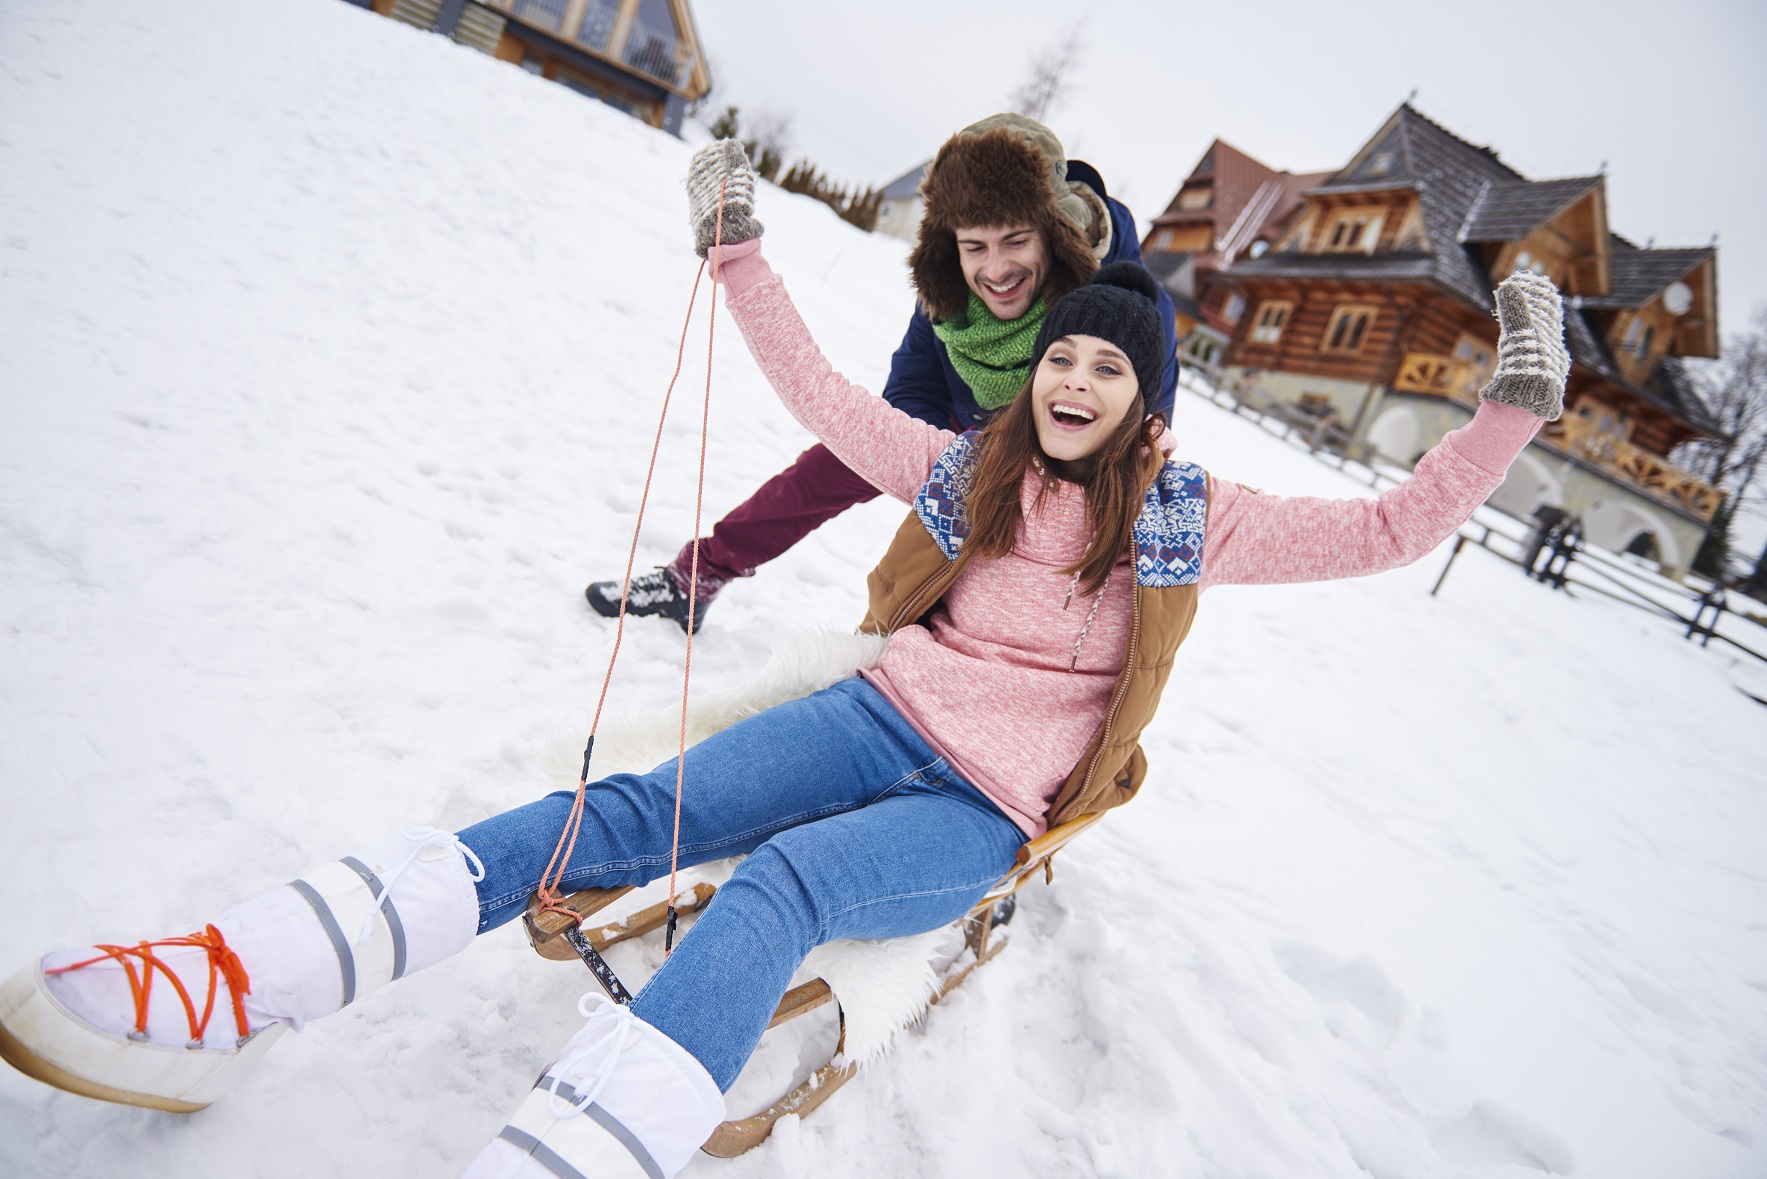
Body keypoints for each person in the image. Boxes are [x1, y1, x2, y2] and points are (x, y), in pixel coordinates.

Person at [0, 142, 1570, 1179]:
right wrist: (741, 255)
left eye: (1110, 360)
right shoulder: (975, 470)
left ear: (1144, 392)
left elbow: (1389, 522)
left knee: (781, 888)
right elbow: (825, 398)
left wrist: (1506, 403)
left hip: (973, 805)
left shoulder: (1181, 518)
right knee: (618, 815)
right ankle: (232, 975)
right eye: (1064, 357)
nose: (1079, 374)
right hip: (873, 711)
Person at [583, 112, 1181, 633]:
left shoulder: (1128, 308)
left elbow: (1136, 440)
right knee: (836, 462)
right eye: (974, 244)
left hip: (1062, 463)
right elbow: (908, 397)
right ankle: (698, 576)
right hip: (957, 428)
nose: (995, 268)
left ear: (1052, 229)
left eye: (1015, 241)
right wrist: (941, 464)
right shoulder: (952, 280)